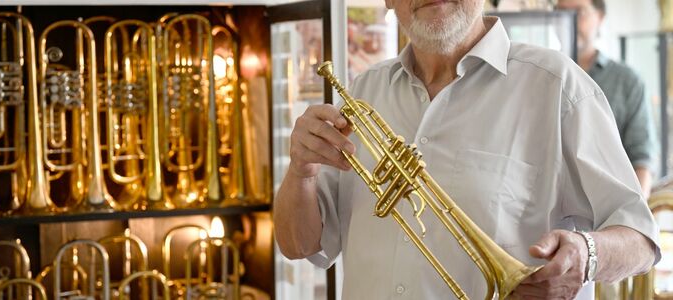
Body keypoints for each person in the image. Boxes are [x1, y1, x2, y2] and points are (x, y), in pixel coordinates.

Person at [273, 0, 660, 299]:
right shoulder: (362, 93)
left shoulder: (558, 87)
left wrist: (585, 253)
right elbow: (298, 244)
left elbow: (641, 240)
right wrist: (300, 172)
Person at [557, 0, 658, 199]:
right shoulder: (541, 74)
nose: (569, 21)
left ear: (600, 17)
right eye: (561, 13)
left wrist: (632, 222)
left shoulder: (627, 81)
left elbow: (642, 159)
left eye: (580, 12)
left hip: (606, 211)